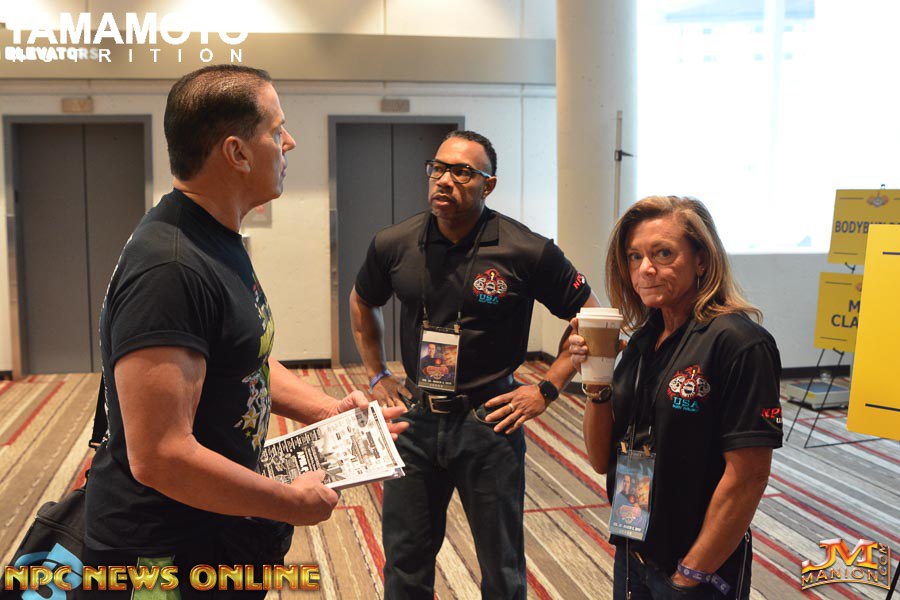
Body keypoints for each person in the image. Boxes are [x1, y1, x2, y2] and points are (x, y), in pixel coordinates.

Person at [83, 65, 407, 597]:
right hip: (160, 555)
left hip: (216, 529)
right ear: (236, 153)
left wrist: (326, 411)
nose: (289, 142)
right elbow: (160, 456)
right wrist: (288, 503)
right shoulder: (171, 269)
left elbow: (242, 357)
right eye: (276, 131)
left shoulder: (214, 236)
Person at [349, 130, 599, 599]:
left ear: (489, 184)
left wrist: (547, 388)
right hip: (415, 420)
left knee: (501, 567)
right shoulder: (395, 242)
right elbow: (363, 300)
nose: (444, 180)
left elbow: (591, 316)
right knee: (405, 561)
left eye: (462, 172)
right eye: (438, 168)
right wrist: (377, 373)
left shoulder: (526, 250)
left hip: (490, 422)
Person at [570, 196, 783, 599]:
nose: (645, 269)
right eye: (634, 256)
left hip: (698, 567)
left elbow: (749, 477)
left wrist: (690, 574)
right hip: (633, 549)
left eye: (663, 254)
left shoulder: (739, 343)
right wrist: (597, 383)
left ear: (701, 260)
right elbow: (601, 459)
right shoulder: (642, 341)